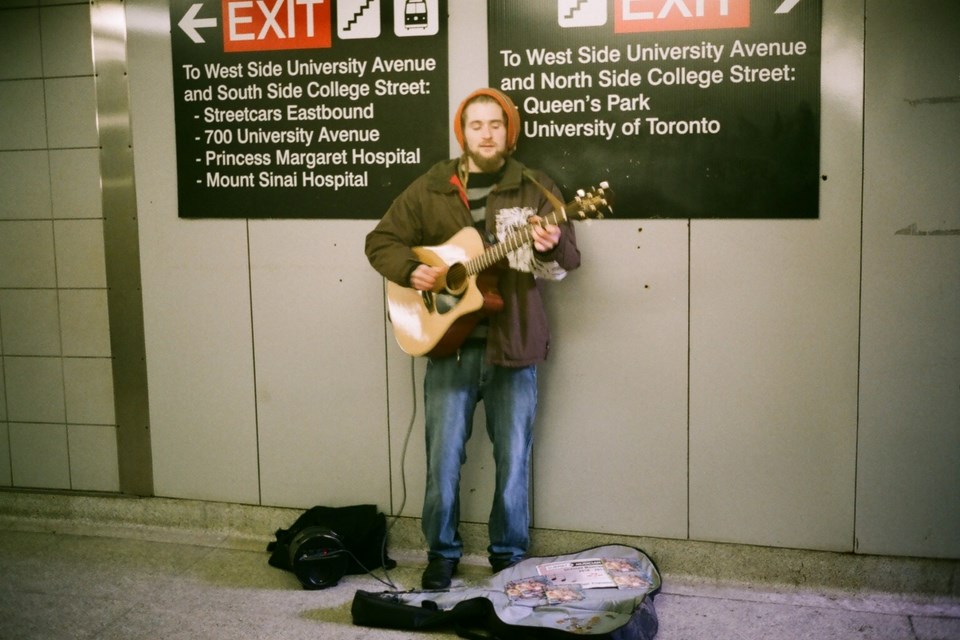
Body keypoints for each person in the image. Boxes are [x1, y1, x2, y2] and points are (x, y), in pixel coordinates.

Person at [365, 88, 581, 589]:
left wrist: (551, 243)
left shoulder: (536, 186)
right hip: (449, 346)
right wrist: (413, 270)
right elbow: (381, 242)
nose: (486, 133)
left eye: (496, 124)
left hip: (514, 345)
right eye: (476, 124)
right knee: (441, 459)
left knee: (514, 459)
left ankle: (507, 556)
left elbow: (569, 261)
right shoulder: (434, 186)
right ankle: (441, 554)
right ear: (462, 132)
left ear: (510, 131)